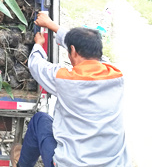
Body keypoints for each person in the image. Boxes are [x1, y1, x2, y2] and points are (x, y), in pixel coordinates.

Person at [11, 11, 129, 167]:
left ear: (72, 51)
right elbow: (86, 49)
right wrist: (50, 24)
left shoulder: (66, 80)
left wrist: (38, 44)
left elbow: (36, 65)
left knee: (39, 121)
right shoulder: (116, 75)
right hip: (114, 164)